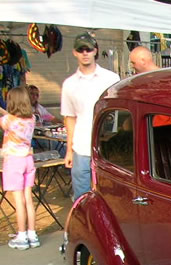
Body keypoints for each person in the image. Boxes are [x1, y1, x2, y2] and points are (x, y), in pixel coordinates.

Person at [60, 32, 120, 200]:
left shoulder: (111, 78)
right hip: (81, 148)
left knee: (111, 196)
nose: (85, 53)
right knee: (82, 198)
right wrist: (69, 151)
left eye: (88, 49)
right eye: (81, 49)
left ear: (95, 51)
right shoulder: (69, 84)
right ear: (75, 52)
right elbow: (69, 118)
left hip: (108, 147)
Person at [0, 87, 38, 250]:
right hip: (28, 160)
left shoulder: (8, 120)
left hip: (14, 161)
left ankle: (21, 236)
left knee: (18, 200)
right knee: (28, 199)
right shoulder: (32, 119)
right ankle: (32, 234)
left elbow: (5, 118)